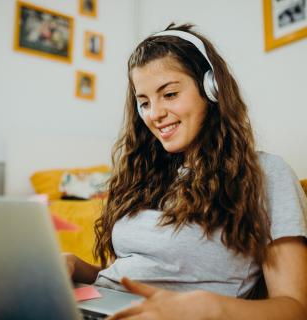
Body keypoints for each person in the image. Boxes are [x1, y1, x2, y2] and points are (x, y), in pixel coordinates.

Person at [65, 23, 307, 319]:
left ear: (211, 89)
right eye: (144, 102)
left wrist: (211, 308)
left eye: (169, 94)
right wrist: (80, 269)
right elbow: (135, 276)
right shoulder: (145, 176)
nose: (154, 114)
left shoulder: (266, 174)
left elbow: (295, 308)